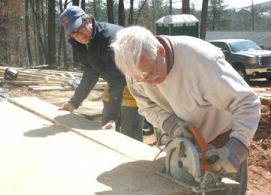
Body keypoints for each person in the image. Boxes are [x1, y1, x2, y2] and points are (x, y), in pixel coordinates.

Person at [111, 26, 261, 194]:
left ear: (160, 51)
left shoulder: (202, 62)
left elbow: (248, 102)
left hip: (224, 142)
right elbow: (147, 107)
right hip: (185, 148)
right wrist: (172, 125)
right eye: (140, 79)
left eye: (151, 74)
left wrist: (237, 146)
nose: (148, 83)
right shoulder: (137, 69)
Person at [58, 6, 143, 141]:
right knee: (106, 128)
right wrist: (74, 102)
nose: (79, 36)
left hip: (134, 81)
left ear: (89, 21)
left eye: (80, 29)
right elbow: (90, 73)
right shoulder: (84, 42)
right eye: (74, 33)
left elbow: (118, 79)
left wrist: (112, 118)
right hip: (115, 80)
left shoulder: (110, 39)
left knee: (129, 131)